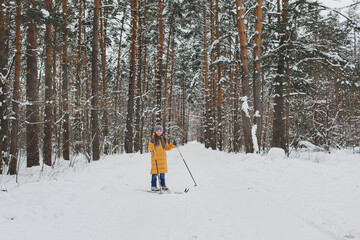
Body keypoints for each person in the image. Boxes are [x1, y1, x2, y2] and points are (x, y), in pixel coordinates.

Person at [148, 123, 177, 191]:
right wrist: (151, 143)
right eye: (157, 130)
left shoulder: (163, 139)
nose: (159, 132)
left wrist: (173, 144)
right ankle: (153, 186)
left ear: (162, 131)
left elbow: (167, 148)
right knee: (155, 173)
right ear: (155, 131)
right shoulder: (153, 139)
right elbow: (150, 149)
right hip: (155, 159)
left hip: (163, 159)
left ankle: (163, 185)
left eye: (160, 131)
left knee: (162, 174)